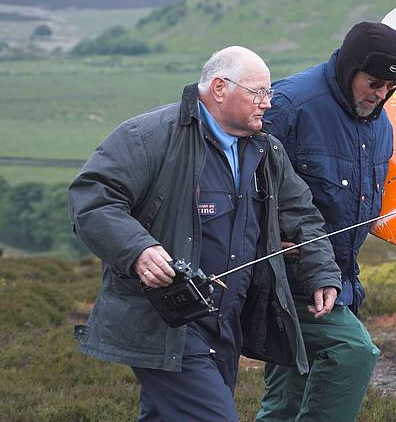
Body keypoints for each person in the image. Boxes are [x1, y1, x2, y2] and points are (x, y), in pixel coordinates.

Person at [67, 46, 341, 422]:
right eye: (257, 93)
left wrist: (321, 272)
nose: (267, 103)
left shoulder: (265, 150)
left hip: (228, 321)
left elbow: (303, 216)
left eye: (269, 93)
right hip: (166, 321)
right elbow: (92, 200)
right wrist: (139, 250)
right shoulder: (147, 136)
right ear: (218, 88)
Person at [257, 22, 396, 421]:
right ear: (349, 70)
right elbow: (232, 181)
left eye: (390, 88)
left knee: (286, 399)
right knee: (354, 353)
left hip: (340, 278)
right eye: (374, 83)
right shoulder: (289, 106)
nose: (381, 95)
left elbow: (380, 182)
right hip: (282, 278)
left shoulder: (380, 121)